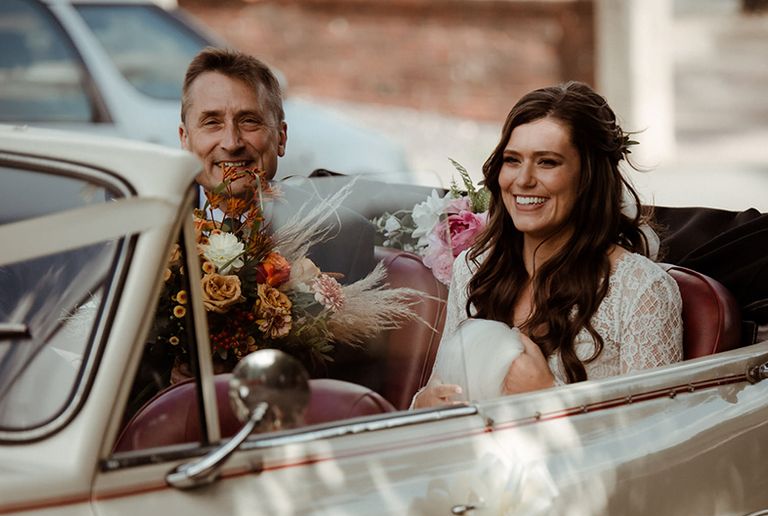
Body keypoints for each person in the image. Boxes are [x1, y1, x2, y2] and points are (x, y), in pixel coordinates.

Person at [413, 81, 683, 409]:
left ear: (588, 177)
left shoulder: (642, 291)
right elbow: (442, 385)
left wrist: (547, 398)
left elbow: (660, 435)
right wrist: (425, 404)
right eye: (512, 160)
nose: (523, 179)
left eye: (547, 162)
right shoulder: (473, 267)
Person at [179, 47, 376, 282]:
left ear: (281, 138)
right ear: (185, 139)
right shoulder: (148, 224)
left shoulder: (342, 236)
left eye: (249, 121)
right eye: (212, 122)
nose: (231, 143)